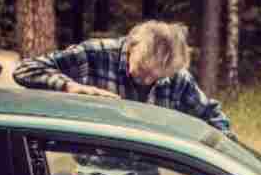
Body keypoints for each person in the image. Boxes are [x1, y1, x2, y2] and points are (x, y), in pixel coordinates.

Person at [13, 20, 233, 134]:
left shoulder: (177, 78)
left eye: (155, 78)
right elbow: (25, 70)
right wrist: (70, 87)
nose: (146, 81)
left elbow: (212, 118)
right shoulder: (95, 54)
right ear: (132, 45)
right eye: (143, 71)